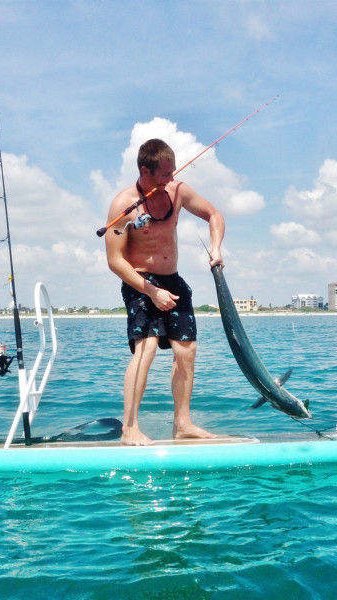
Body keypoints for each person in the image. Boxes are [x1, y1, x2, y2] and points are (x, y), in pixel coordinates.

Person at [105, 138, 225, 446]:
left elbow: (214, 214)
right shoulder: (123, 205)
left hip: (173, 280)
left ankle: (182, 424)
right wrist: (151, 291)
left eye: (173, 172)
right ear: (145, 171)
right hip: (139, 283)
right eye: (164, 174)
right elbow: (115, 261)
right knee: (146, 349)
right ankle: (129, 428)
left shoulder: (178, 190)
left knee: (187, 351)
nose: (171, 179)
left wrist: (215, 249)